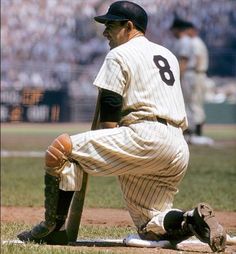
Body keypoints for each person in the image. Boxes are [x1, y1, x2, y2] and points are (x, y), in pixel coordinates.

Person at [17, 1, 226, 252]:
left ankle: (53, 228)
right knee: (151, 226)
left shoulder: (119, 53)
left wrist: (106, 145)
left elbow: (110, 102)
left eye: (110, 25)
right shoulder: (167, 54)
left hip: (144, 136)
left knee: (61, 149)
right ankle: (190, 219)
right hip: (177, 147)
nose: (105, 31)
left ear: (129, 26)